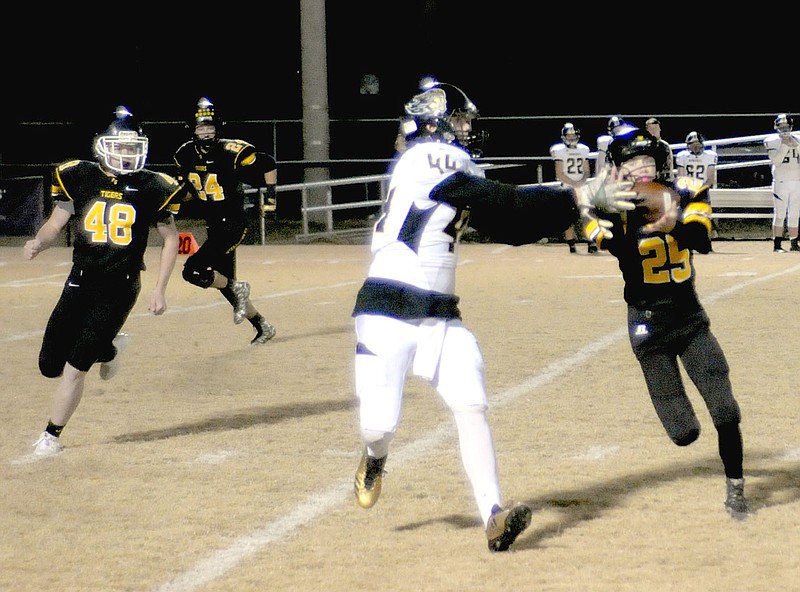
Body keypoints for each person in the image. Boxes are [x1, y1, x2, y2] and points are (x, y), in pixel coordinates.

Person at [350, 79, 635, 552]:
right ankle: (374, 456)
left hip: (440, 311)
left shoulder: (449, 169)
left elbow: (508, 222)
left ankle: (493, 515)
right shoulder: (427, 159)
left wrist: (572, 208)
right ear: (436, 124)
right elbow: (506, 202)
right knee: (379, 425)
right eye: (459, 120)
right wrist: (576, 196)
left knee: (471, 402)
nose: (467, 129)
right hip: (387, 307)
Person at [583, 126, 753, 520]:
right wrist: (631, 213)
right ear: (618, 169)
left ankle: (736, 490)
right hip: (647, 325)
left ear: (661, 161)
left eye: (646, 160)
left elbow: (702, 240)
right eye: (631, 162)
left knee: (726, 410)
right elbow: (616, 248)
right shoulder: (611, 204)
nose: (641, 168)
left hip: (689, 318)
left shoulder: (688, 189)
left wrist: (671, 220)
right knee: (684, 434)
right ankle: (687, 432)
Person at [23, 106, 182, 458]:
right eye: (120, 146)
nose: (126, 153)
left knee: (75, 368)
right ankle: (110, 349)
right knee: (49, 365)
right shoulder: (79, 175)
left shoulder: (153, 186)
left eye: (131, 147)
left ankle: (52, 435)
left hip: (119, 286)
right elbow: (57, 220)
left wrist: (159, 289)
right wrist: (39, 242)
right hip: (79, 280)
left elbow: (171, 238)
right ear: (102, 146)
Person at [173, 97, 278, 343]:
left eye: (210, 126)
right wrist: (171, 201)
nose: (206, 131)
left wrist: (272, 200)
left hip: (233, 224)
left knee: (193, 271)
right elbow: (189, 192)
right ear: (193, 128)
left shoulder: (231, 150)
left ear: (218, 127)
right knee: (225, 285)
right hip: (213, 224)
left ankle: (238, 287)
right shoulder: (184, 153)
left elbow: (268, 164)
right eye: (201, 127)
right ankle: (263, 326)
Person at [550, 122, 596, 253]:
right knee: (568, 218)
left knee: (587, 215)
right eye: (569, 135)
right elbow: (559, 172)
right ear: (564, 136)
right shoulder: (559, 150)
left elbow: (586, 170)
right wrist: (574, 183)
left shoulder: (583, 149)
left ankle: (591, 242)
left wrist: (581, 181)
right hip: (567, 186)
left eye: (573, 135)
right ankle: (571, 244)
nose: (571, 138)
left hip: (581, 186)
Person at [764, 113, 800, 252]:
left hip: (797, 180)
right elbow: (776, 161)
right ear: (776, 127)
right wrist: (785, 146)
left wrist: (795, 145)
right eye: (781, 127)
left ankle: (794, 243)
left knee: (795, 213)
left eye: (787, 127)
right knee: (779, 213)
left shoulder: (797, 139)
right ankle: (777, 244)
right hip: (781, 181)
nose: (784, 129)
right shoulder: (771, 141)